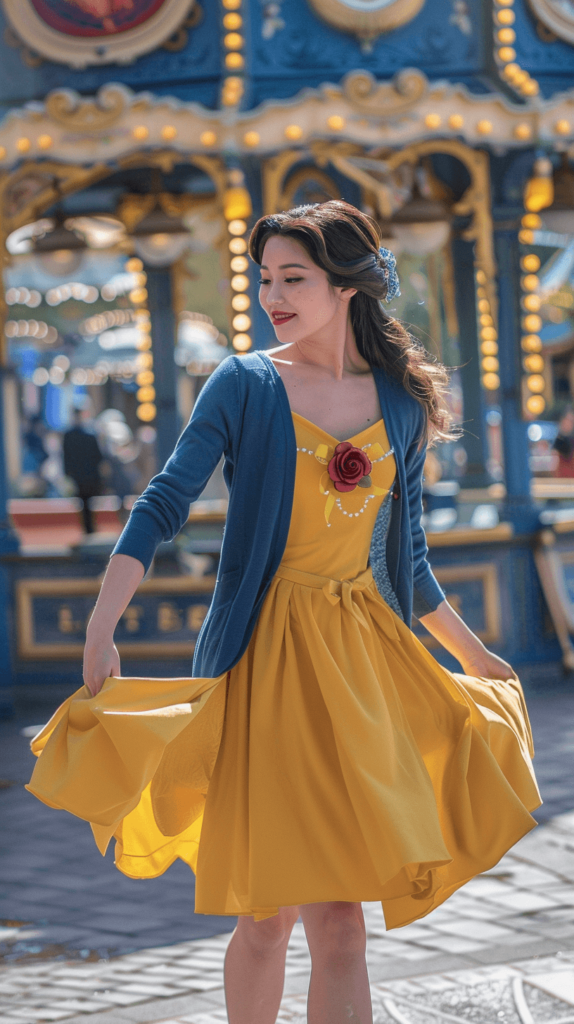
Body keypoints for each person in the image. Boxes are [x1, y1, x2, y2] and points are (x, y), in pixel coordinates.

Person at [28, 201, 540, 1024]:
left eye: (293, 278)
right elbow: (163, 502)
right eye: (265, 278)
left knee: (342, 926)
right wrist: (101, 622)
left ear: (348, 287)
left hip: (367, 669)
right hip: (266, 663)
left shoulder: (400, 402)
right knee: (266, 914)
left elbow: (407, 560)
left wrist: (476, 658)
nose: (273, 295)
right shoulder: (245, 383)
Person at [62, 408, 103, 534]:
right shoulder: (89, 434)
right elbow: (98, 456)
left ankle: (88, 528)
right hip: (88, 475)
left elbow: (66, 457)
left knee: (84, 503)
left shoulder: (70, 435)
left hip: (79, 475)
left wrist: (68, 473)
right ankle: (90, 528)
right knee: (88, 503)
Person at [553, 407, 574, 478]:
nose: (569, 423)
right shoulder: (559, 439)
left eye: (571, 421)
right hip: (563, 478)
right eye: (567, 420)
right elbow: (555, 462)